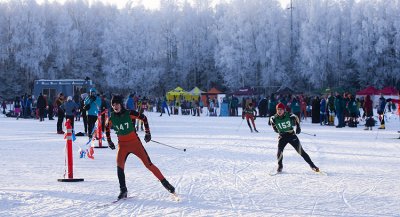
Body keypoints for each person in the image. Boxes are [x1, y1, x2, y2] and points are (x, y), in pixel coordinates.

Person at [105, 95, 176, 200]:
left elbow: (144, 118)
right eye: (113, 104)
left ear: (121, 104)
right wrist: (109, 141)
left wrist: (148, 133)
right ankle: (123, 190)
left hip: (135, 144)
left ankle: (166, 184)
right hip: (123, 146)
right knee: (119, 167)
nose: (115, 106)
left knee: (149, 165)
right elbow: (106, 128)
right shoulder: (111, 118)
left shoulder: (129, 113)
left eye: (117, 104)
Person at [269, 102, 319, 173]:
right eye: (278, 109)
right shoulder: (273, 118)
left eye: (281, 109)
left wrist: (298, 127)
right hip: (282, 136)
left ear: (284, 110)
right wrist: (275, 128)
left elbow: (296, 117)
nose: (279, 111)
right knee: (279, 152)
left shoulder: (289, 115)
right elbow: (272, 122)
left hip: (291, 135)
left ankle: (312, 165)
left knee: (301, 152)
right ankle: (280, 166)